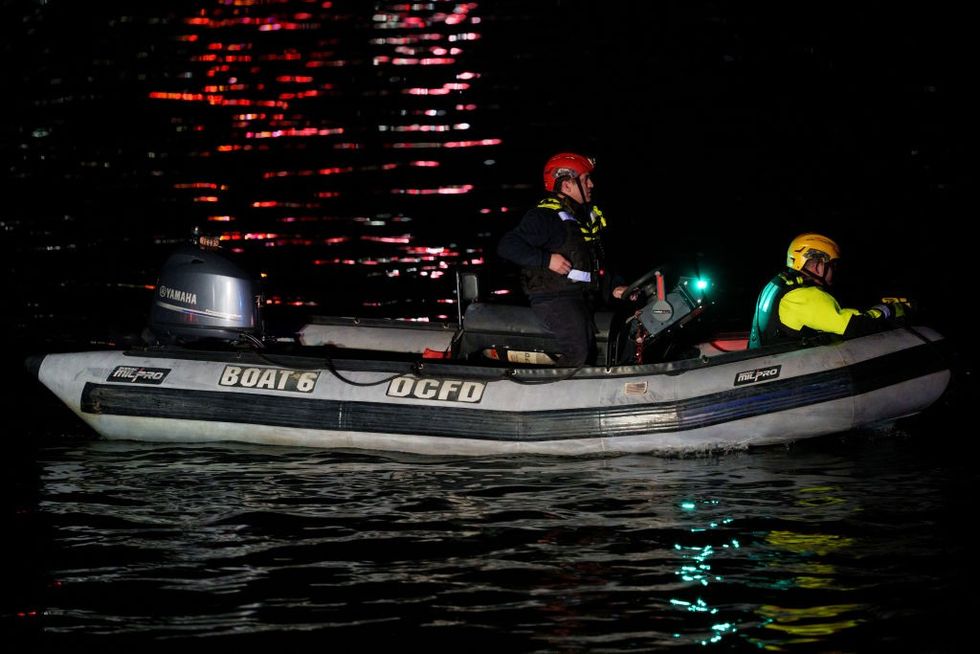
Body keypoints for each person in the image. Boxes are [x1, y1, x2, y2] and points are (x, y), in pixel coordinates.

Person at [497, 152, 627, 366]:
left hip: (581, 296)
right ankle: (551, 392)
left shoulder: (584, 218)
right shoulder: (544, 217)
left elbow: (595, 264)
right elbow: (507, 245)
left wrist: (614, 288)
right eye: (586, 179)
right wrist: (546, 259)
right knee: (578, 350)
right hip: (554, 299)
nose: (591, 184)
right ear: (566, 185)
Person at [748, 232, 912, 349]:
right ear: (819, 265)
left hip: (767, 355)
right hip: (787, 367)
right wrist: (887, 310)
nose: (834, 271)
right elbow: (856, 327)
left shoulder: (778, 283)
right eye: (832, 266)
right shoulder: (806, 296)